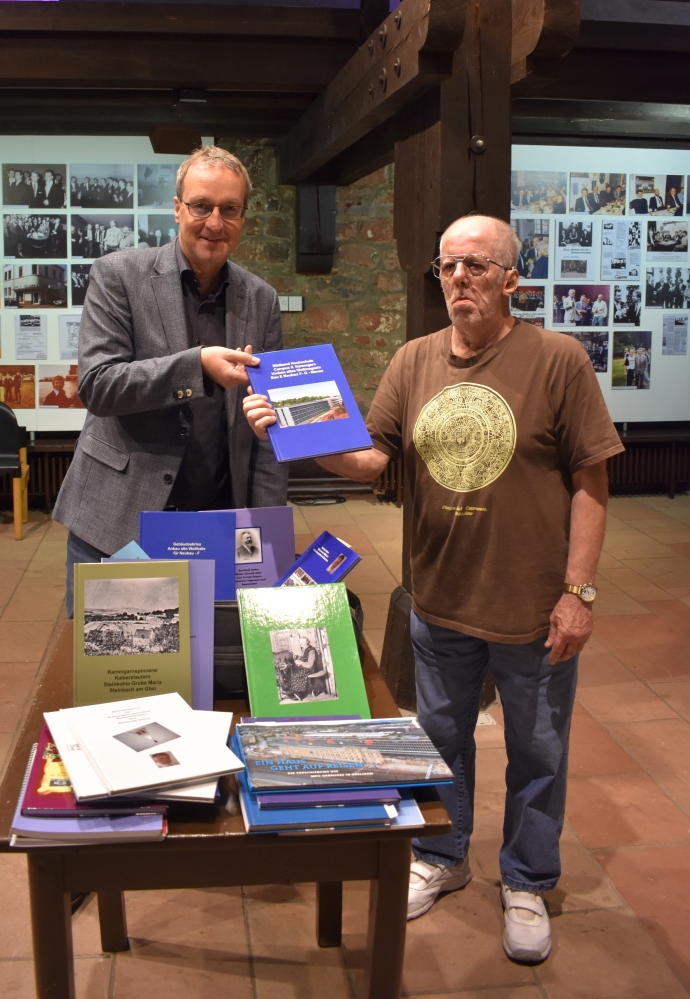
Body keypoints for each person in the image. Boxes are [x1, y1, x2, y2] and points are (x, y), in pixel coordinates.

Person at [243, 213, 623, 964]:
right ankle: (446, 857)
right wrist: (285, 431)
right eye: (447, 266)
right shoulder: (414, 360)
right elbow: (372, 457)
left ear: (512, 277)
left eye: (477, 266)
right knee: (441, 741)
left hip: (532, 610)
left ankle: (526, 878)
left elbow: (592, 480)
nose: (458, 280)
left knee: (538, 750)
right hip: (439, 601)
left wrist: (579, 591)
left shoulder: (558, 359)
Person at [53, 146, 287, 617]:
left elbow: (269, 424)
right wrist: (195, 364)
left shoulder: (261, 299)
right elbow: (98, 385)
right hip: (121, 522)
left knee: (209, 670)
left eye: (229, 209)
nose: (214, 223)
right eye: (202, 206)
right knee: (119, 677)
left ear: (243, 216)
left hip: (218, 523)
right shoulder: (118, 275)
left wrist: (267, 530)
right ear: (177, 208)